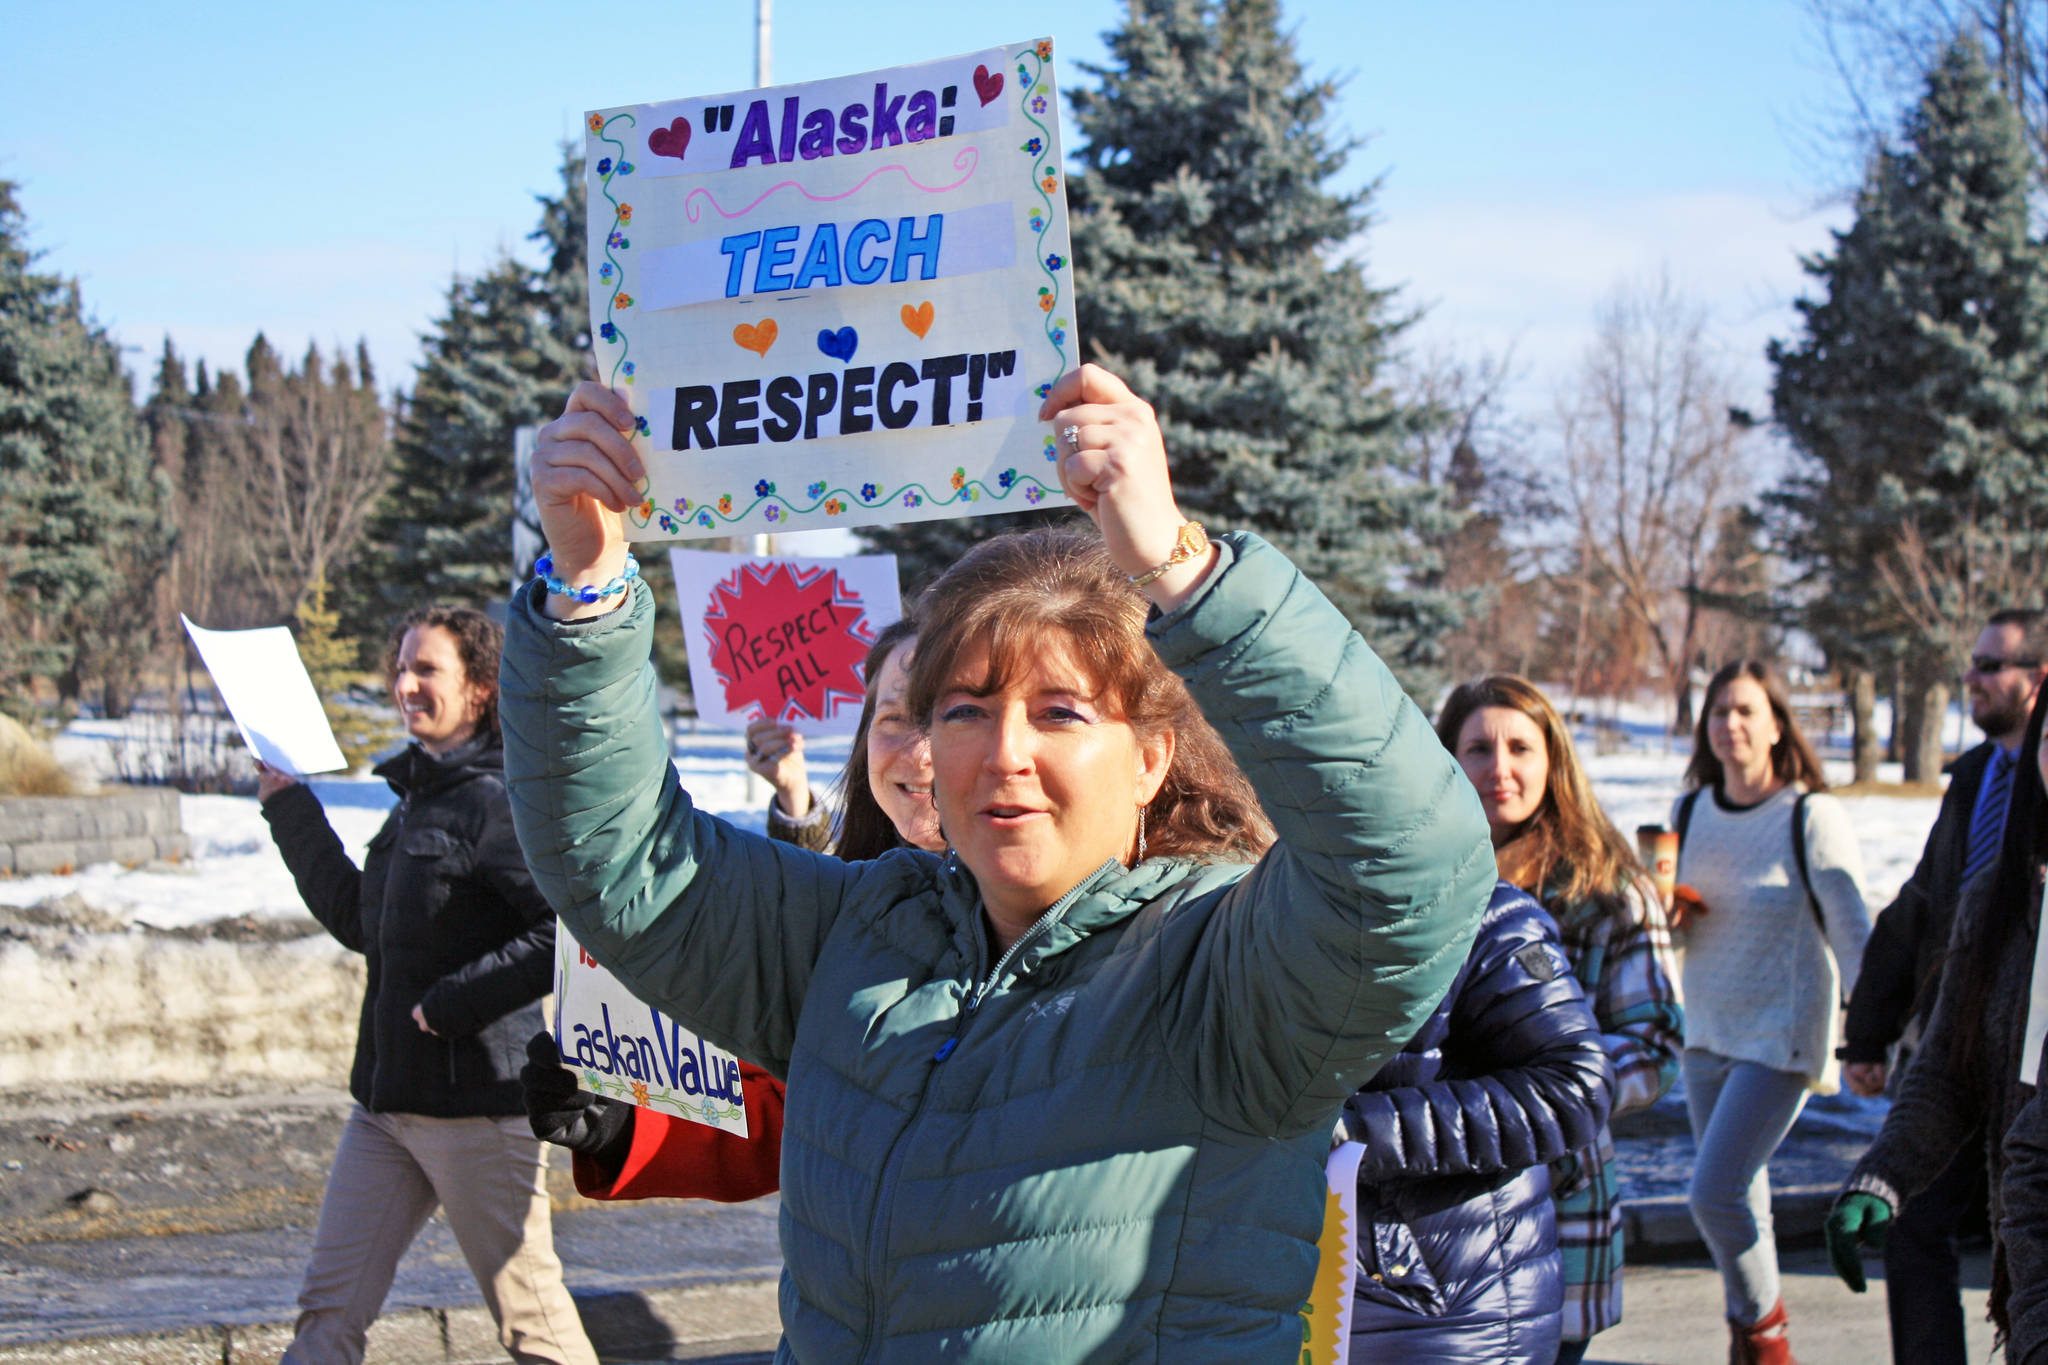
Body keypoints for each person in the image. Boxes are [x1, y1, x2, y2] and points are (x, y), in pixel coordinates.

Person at [499, 363, 1496, 1362]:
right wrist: (586, 587)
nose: (1001, 751)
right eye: (964, 709)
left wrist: (1181, 566)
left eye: (1059, 712)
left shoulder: (1226, 978)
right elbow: (615, 855)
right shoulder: (853, 936)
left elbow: (1412, 862)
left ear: (1149, 758)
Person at [257, 606, 595, 1365]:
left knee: (530, 1319)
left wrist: (450, 1005)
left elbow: (563, 931)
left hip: (478, 1108)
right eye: (400, 668)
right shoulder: (416, 799)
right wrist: (289, 806)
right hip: (384, 1106)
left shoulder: (496, 802)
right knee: (328, 1310)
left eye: (427, 669)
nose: (405, 683)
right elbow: (359, 921)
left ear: (478, 689)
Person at [522, 617, 942, 1201]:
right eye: (893, 717)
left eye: (958, 713)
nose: (921, 752)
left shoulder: (1093, 930)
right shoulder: (860, 912)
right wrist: (623, 1124)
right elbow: (790, 1106)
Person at [1437, 676, 1685, 1364]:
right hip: (1432, 1199)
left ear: (1554, 759)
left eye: (1521, 746)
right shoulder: (1416, 878)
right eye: (1478, 748)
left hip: (1557, 1195)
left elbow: (1656, 1041)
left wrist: (1553, 1091)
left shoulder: (1606, 886)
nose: (1500, 768)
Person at [1842, 608, 2045, 1365]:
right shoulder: (1974, 785)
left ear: (2039, 679)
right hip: (1976, 1044)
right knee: (1916, 1223)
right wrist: (1868, 1031)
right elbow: (1919, 911)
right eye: (1974, 662)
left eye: (1994, 664)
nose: (1974, 677)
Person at [1673, 660, 1871, 1365]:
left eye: (1746, 710)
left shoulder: (1809, 814)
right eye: (1719, 711)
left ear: (1777, 723)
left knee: (1714, 1191)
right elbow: (1681, 925)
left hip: (1779, 1035)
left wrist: (1873, 1033)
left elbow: (1853, 933)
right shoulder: (1689, 811)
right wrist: (1671, 914)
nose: (1730, 724)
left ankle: (1765, 1336)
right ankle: (1752, 1342)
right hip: (1706, 1029)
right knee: (1741, 1196)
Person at [1340, 879, 1614, 1362]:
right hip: (1302, 1289)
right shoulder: (1248, 905)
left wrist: (1354, 1133)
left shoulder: (1487, 911)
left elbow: (1575, 1086)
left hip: (1450, 1305)